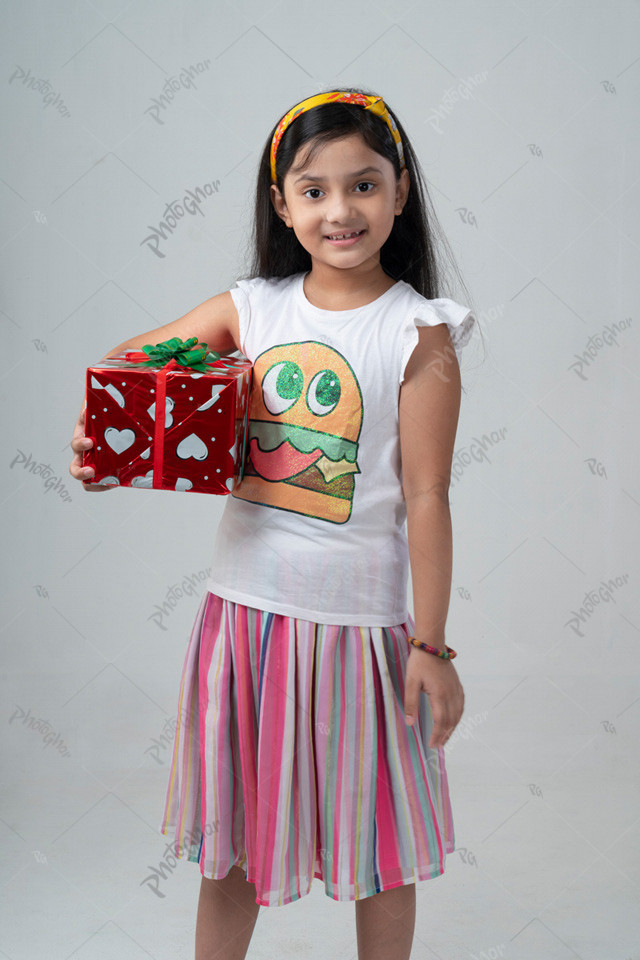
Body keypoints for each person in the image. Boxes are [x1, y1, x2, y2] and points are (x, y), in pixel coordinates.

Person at [69, 87, 480, 960]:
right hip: (244, 625)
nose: (341, 209)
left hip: (365, 636)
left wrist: (432, 647)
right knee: (232, 851)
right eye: (315, 188)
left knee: (382, 850)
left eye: (364, 185)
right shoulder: (249, 309)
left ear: (401, 192)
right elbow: (136, 373)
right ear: (282, 203)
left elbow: (428, 496)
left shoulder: (420, 333)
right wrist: (111, 451)